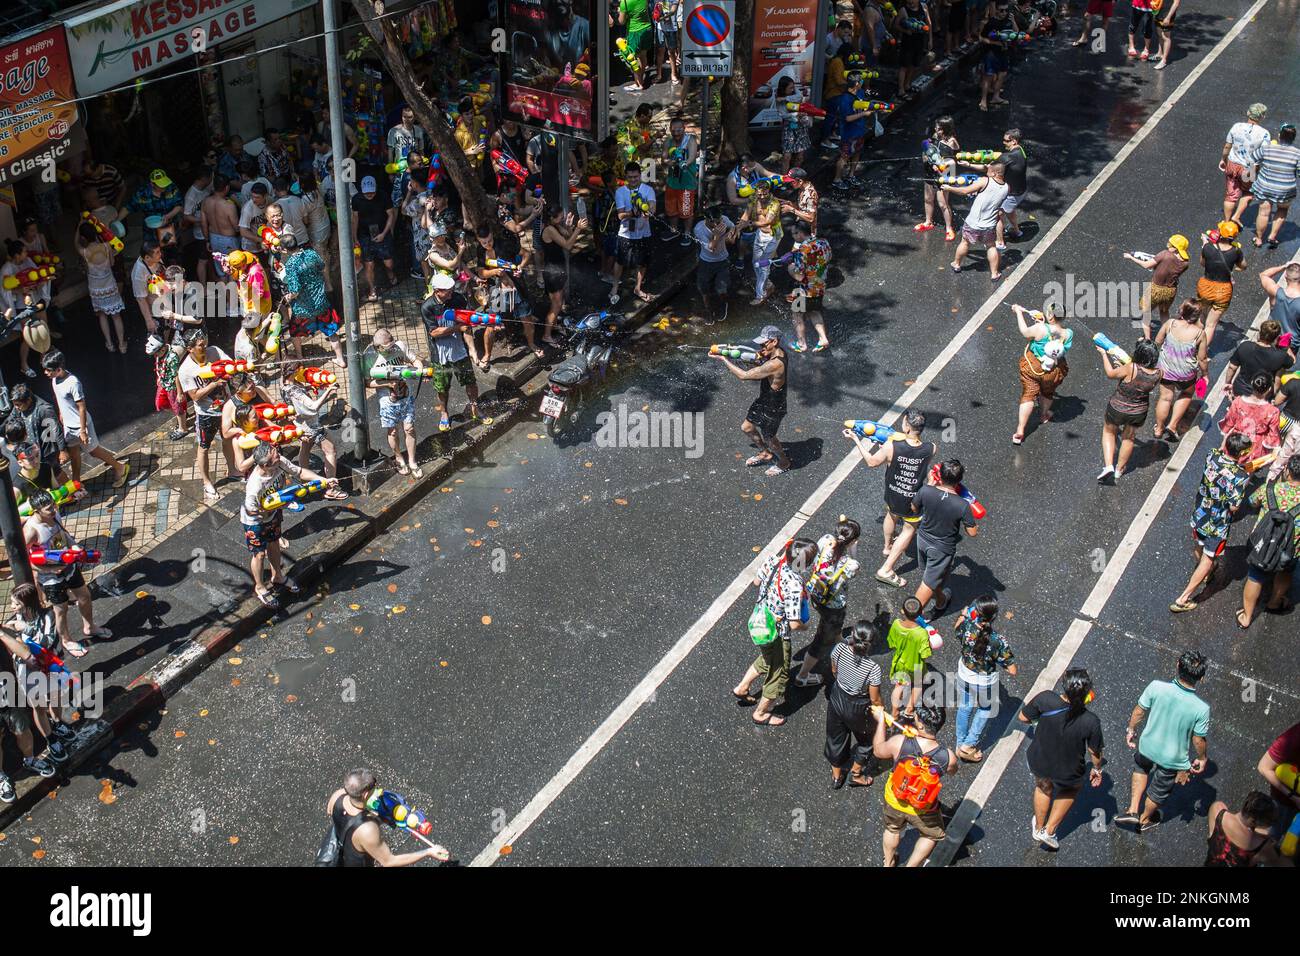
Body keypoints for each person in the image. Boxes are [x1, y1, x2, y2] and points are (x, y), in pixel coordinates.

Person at [1116, 651, 1210, 832]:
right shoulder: (1201, 709)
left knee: (1141, 768)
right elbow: (1198, 739)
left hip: (1147, 745)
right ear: (1202, 678)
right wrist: (1202, 757)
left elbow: (1139, 711)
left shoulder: (1156, 687)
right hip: (1172, 758)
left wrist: (1131, 730)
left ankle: (1133, 810)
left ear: (1177, 665)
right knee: (1159, 789)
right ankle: (1144, 820)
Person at [732, 537, 818, 727]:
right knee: (778, 674)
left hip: (759, 622)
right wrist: (807, 626)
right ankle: (762, 713)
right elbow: (795, 624)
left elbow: (756, 582)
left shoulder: (773, 560)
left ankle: (742, 687)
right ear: (805, 563)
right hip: (777, 633)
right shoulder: (795, 584)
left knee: (768, 658)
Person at [845, 411, 934, 588]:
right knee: (909, 529)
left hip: (893, 491)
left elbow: (871, 462)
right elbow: (914, 459)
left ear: (907, 427)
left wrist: (856, 439)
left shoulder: (891, 446)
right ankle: (887, 563)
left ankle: (887, 553)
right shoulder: (931, 448)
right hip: (913, 497)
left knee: (892, 515)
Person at [242, 441, 335, 609]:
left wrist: (323, 480)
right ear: (265, 465)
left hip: (273, 515)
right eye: (275, 457)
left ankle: (277, 576)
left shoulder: (280, 462)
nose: (279, 456)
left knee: (274, 543)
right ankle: (260, 587)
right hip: (254, 522)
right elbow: (251, 512)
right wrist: (274, 506)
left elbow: (299, 472)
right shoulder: (254, 486)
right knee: (259, 554)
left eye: (276, 453)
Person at [1019, 668, 1104, 850]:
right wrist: (1097, 769)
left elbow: (1023, 717)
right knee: (1070, 790)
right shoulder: (1091, 721)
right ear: (1087, 693)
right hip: (1069, 770)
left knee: (1043, 787)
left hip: (1040, 760)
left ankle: (1039, 828)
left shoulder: (1045, 699)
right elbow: (1094, 752)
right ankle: (1049, 831)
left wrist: (1038, 721)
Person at [23, 490, 112, 656]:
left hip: (69, 567)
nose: (54, 510)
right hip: (51, 579)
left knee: (84, 596)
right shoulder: (30, 531)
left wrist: (75, 546)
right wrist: (48, 569)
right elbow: (24, 559)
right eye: (48, 509)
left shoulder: (54, 516)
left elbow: (63, 535)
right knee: (61, 609)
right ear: (36, 511)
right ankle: (67, 640)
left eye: (53, 505)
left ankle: (89, 626)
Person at [0, 584, 79, 768]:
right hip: (28, 671)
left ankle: (57, 722)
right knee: (39, 706)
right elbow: (21, 648)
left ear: (27, 603)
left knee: (55, 698)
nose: (12, 607)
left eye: (15, 603)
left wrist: (24, 629)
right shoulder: (18, 619)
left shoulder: (47, 616)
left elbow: (47, 642)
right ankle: (51, 738)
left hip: (50, 668)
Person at [872, 704, 956, 866]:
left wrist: (881, 720)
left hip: (895, 798)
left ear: (921, 725)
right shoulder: (948, 756)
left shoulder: (900, 742)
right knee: (931, 835)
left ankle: (888, 863)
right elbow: (952, 771)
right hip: (923, 805)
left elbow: (878, 751)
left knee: (892, 829)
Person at [710, 326, 792, 476]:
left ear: (774, 341)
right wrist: (736, 353)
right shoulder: (777, 352)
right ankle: (765, 453)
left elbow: (744, 375)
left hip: (774, 405)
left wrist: (724, 358)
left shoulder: (775, 363)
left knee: (769, 437)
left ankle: (784, 462)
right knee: (747, 427)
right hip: (764, 399)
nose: (761, 347)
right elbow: (757, 359)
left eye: (763, 344)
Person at [325, 769, 449, 866]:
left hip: (341, 847)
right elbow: (389, 861)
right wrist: (428, 852)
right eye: (375, 789)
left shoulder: (337, 796)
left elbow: (331, 812)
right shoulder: (368, 829)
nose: (378, 791)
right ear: (366, 794)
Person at [42, 351, 130, 488]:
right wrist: (61, 413)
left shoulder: (73, 383)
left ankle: (120, 467)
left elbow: (82, 408)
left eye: (48, 370)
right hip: (68, 426)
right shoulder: (54, 379)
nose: (46, 373)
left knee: (94, 451)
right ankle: (76, 481)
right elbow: (59, 398)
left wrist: (83, 430)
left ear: (59, 369)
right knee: (74, 453)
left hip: (80, 425)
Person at [792, 517, 861, 688]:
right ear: (852, 541)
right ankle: (802, 675)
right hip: (834, 605)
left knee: (832, 625)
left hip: (815, 593)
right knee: (821, 642)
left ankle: (837, 636)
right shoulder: (851, 564)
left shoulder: (824, 540)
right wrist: (853, 548)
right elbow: (855, 563)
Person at [420, 276, 490, 433]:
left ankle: (474, 407)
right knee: (442, 387)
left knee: (470, 382)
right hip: (440, 355)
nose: (452, 294)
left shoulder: (458, 299)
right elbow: (435, 332)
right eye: (448, 291)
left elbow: (467, 326)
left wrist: (473, 351)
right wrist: (457, 328)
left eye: (452, 290)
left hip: (460, 351)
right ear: (438, 291)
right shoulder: (428, 307)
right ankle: (444, 413)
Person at [1237, 456, 1300, 628]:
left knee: (1255, 577)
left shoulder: (1269, 489)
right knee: (1286, 573)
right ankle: (1274, 602)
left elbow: (1252, 502)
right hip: (1291, 548)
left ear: (1287, 471)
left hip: (1263, 545)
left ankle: (1247, 617)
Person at [953, 594, 1017, 763]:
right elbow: (1012, 670)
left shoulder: (967, 626)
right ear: (993, 617)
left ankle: (960, 744)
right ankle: (969, 744)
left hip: (964, 673)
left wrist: (963, 615)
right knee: (985, 709)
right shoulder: (997, 641)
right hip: (983, 682)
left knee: (965, 707)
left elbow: (956, 630)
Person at [178, 329, 239, 502]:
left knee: (228, 439)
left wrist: (232, 368)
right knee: (204, 447)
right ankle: (207, 483)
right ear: (190, 348)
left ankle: (232, 470)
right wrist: (214, 384)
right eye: (200, 345)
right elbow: (195, 396)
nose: (204, 347)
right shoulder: (186, 370)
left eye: (204, 342)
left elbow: (230, 364)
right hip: (206, 413)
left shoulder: (214, 351)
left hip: (226, 407)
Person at [823, 619, 885, 789]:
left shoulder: (839, 649)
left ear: (853, 635)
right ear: (870, 644)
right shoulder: (872, 668)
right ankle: (856, 775)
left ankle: (836, 776)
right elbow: (874, 699)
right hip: (858, 707)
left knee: (836, 737)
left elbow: (834, 671)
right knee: (867, 741)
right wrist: (882, 713)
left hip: (837, 697)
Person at [912, 459, 979, 612]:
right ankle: (910, 615)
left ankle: (941, 600)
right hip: (941, 549)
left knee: (931, 576)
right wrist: (975, 526)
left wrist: (929, 484)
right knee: (928, 583)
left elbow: (914, 508)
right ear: (959, 481)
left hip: (922, 539)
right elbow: (972, 532)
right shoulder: (962, 505)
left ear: (939, 476)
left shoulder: (926, 490)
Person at [1097, 338, 1160, 484]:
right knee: (1129, 437)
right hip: (1138, 411)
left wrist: (1103, 355)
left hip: (1118, 407)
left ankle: (1108, 466)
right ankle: (1119, 469)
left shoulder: (1130, 367)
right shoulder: (1158, 373)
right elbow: (1140, 382)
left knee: (1109, 432)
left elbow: (1110, 373)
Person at [281, 233, 344, 368]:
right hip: (321, 302)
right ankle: (340, 359)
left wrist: (288, 297)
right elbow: (322, 266)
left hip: (303, 309)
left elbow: (295, 290)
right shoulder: (311, 254)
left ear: (285, 250)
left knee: (294, 332)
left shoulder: (291, 265)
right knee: (331, 332)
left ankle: (300, 358)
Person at [366, 329, 424, 478]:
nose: (392, 349)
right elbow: (367, 383)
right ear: (377, 347)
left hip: (405, 394)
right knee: (392, 431)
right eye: (387, 348)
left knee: (409, 428)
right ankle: (398, 457)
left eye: (392, 345)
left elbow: (415, 360)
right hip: (387, 400)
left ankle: (412, 461)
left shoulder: (400, 346)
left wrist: (420, 370)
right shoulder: (370, 356)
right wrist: (388, 383)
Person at [1150, 299, 1208, 442]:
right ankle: (1173, 425)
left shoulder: (1170, 324)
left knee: (1165, 397)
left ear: (1182, 311)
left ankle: (1158, 429)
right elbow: (1202, 359)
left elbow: (1157, 341)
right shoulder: (1200, 334)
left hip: (1166, 369)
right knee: (1187, 394)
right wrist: (1205, 374)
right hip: (1186, 373)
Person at [946, 161, 1010, 280]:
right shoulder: (1007, 187)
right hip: (989, 225)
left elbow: (964, 191)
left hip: (973, 223)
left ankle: (956, 264)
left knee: (965, 243)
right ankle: (994, 273)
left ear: (996, 173)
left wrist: (949, 188)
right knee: (991, 246)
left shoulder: (984, 181)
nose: (987, 171)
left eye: (989, 170)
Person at [538, 205, 589, 349]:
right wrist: (578, 229)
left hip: (557, 269)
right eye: (560, 216)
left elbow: (568, 237)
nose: (562, 218)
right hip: (552, 271)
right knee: (557, 304)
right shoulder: (549, 229)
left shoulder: (555, 226)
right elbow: (567, 246)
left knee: (557, 302)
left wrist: (570, 226)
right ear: (553, 218)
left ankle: (553, 326)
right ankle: (546, 335)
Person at [73, 220, 127, 354]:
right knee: (116, 316)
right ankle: (121, 345)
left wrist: (78, 226)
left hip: (95, 288)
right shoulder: (106, 246)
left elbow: (75, 243)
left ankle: (109, 344)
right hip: (109, 284)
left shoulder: (84, 252)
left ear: (83, 238)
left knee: (102, 315)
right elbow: (112, 263)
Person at [5, 384, 72, 490]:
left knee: (55, 471)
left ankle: (72, 491)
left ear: (28, 400)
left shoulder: (44, 410)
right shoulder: (18, 406)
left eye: (18, 405)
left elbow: (56, 429)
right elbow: (10, 420)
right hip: (33, 448)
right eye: (15, 405)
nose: (16, 408)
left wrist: (63, 450)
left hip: (46, 449)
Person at [1127, 234, 1190, 338]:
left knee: (1146, 313)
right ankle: (1168, 335)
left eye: (1170, 244)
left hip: (1156, 289)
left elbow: (1146, 265)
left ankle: (1147, 339)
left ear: (1175, 248)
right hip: (1170, 291)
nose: (1167, 245)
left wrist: (1131, 257)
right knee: (1164, 312)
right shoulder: (1185, 263)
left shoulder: (1165, 254)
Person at [610, 163, 655, 306]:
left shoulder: (648, 190)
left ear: (640, 175)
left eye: (635, 176)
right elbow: (620, 215)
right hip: (626, 234)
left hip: (644, 233)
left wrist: (648, 211)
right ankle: (615, 287)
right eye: (630, 177)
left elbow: (652, 206)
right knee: (620, 261)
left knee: (643, 262)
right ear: (626, 177)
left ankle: (637, 288)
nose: (633, 179)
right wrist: (633, 213)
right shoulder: (620, 192)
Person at [1250, 122, 1300, 250]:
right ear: (1293, 138)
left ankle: (1259, 239)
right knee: (1282, 210)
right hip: (1285, 189)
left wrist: (1250, 177)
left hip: (1265, 186)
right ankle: (1272, 236)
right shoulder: (1297, 154)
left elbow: (1252, 159)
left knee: (1264, 212)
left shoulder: (1267, 148)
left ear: (1279, 136)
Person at [1220, 103, 1270, 226]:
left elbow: (1227, 146)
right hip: (1249, 168)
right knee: (1248, 192)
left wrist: (1223, 159)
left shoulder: (1237, 126)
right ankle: (1236, 217)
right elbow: (1264, 154)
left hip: (1232, 163)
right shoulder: (1264, 134)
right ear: (1262, 117)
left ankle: (1226, 222)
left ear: (1248, 113)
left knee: (1231, 194)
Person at [885, 597, 931, 720]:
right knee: (917, 685)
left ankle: (894, 713)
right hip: (916, 666)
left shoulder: (895, 624)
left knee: (898, 686)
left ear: (902, 611)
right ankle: (909, 710)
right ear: (921, 613)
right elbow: (925, 654)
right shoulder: (921, 633)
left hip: (900, 662)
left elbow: (891, 643)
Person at [1219, 371, 1281, 462]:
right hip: (1254, 446)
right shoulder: (1273, 411)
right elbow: (1273, 435)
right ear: (1269, 389)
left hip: (1235, 440)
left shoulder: (1238, 401)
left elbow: (1228, 423)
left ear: (1252, 383)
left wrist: (1224, 442)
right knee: (1247, 468)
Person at [1204, 792, 1281, 866]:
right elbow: (1277, 861)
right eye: (1271, 821)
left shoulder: (1217, 810)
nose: (1272, 823)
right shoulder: (1262, 846)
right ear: (1254, 821)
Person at [353, 176, 398, 299]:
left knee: (388, 263)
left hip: (382, 232)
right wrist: (355, 237)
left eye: (372, 192)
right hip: (365, 235)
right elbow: (355, 218)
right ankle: (372, 289)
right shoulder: (357, 199)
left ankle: (390, 273)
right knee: (369, 264)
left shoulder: (383, 196)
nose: (369, 195)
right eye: (367, 193)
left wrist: (384, 233)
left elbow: (391, 214)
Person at [916, 117, 960, 239]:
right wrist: (926, 158)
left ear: (946, 129)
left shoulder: (951, 141)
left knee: (943, 203)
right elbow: (926, 151)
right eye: (936, 127)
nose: (936, 130)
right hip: (930, 170)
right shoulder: (934, 136)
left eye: (940, 129)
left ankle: (949, 228)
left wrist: (942, 165)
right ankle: (928, 221)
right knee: (928, 198)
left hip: (945, 172)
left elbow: (954, 155)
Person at [1257, 720, 1300, 840]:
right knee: (1272, 837)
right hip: (1286, 802)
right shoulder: (1293, 738)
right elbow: (1263, 767)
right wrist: (1294, 798)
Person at [693, 205, 736, 325]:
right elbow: (711, 248)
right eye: (715, 223)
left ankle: (724, 304)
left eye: (720, 221)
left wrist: (731, 236)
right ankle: (708, 310)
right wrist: (717, 235)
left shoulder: (724, 220)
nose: (718, 225)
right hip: (706, 261)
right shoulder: (699, 229)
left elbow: (733, 227)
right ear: (707, 219)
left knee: (721, 288)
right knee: (703, 288)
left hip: (722, 260)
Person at [1226, 320, 1289, 400]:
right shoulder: (1281, 356)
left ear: (1260, 333)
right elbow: (1292, 362)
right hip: (1263, 393)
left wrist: (1228, 383)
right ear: (1276, 337)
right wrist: (1286, 346)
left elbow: (1232, 367)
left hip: (1240, 389)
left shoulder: (1245, 346)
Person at [829, 76, 870, 192]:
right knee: (844, 157)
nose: (863, 82)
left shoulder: (860, 93)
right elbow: (847, 118)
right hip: (849, 133)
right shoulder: (845, 99)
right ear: (856, 83)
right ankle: (837, 180)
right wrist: (864, 114)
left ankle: (851, 175)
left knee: (857, 152)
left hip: (860, 131)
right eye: (861, 81)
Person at [147, 333, 189, 442]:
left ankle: (182, 428)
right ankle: (182, 414)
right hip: (164, 382)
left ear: (162, 349)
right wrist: (159, 377)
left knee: (177, 406)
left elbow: (176, 375)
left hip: (173, 387)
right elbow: (159, 365)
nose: (155, 356)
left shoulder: (172, 358)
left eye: (156, 354)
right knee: (160, 403)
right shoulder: (160, 355)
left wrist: (180, 393)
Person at [662, 116, 697, 246]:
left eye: (679, 130)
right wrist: (668, 162)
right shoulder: (668, 142)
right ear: (670, 130)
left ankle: (687, 233)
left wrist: (684, 163)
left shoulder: (691, 140)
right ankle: (674, 230)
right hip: (672, 182)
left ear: (684, 128)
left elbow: (692, 157)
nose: (676, 133)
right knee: (671, 209)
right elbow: (663, 159)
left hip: (687, 183)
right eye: (673, 131)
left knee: (686, 210)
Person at [200, 174, 241, 281]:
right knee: (233, 271)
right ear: (227, 187)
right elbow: (236, 228)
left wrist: (207, 240)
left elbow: (203, 223)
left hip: (214, 239)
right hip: (229, 241)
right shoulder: (229, 205)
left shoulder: (206, 202)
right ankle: (233, 298)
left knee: (222, 272)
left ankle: (226, 298)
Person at [977, 1, 1014, 112]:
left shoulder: (1008, 21)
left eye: (1006, 10)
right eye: (1002, 10)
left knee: (1002, 74)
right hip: (991, 53)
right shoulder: (991, 23)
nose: (1004, 13)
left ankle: (996, 97)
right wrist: (994, 43)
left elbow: (1016, 33)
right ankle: (983, 100)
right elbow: (981, 38)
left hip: (1003, 52)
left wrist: (1013, 21)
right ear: (997, 10)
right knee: (988, 76)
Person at [892, 0, 931, 101]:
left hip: (919, 42)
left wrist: (930, 40)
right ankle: (901, 90)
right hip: (908, 42)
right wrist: (905, 31)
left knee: (914, 64)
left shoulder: (924, 7)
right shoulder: (903, 10)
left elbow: (929, 24)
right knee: (904, 66)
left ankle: (907, 85)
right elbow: (896, 25)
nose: (910, 2)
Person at [614, 0, 652, 91]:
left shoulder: (625, 3)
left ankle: (638, 84)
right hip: (647, 28)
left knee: (633, 59)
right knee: (643, 56)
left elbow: (621, 21)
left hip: (635, 32)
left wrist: (620, 12)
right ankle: (641, 79)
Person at [1260, 262, 1300, 342]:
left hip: (1271, 337)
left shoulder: (1275, 291)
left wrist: (1284, 266)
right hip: (1289, 343)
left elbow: (1263, 275)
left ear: (1285, 276)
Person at [654, 0, 683, 85]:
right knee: (660, 51)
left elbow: (673, 11)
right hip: (660, 28)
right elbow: (656, 8)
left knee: (671, 52)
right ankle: (659, 74)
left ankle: (673, 75)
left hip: (671, 29)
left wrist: (661, 18)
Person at [1151, 0, 1181, 69]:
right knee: (1159, 34)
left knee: (1166, 37)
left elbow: (1176, 3)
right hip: (1159, 12)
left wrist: (1168, 17)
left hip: (1167, 15)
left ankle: (1164, 60)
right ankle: (1159, 54)